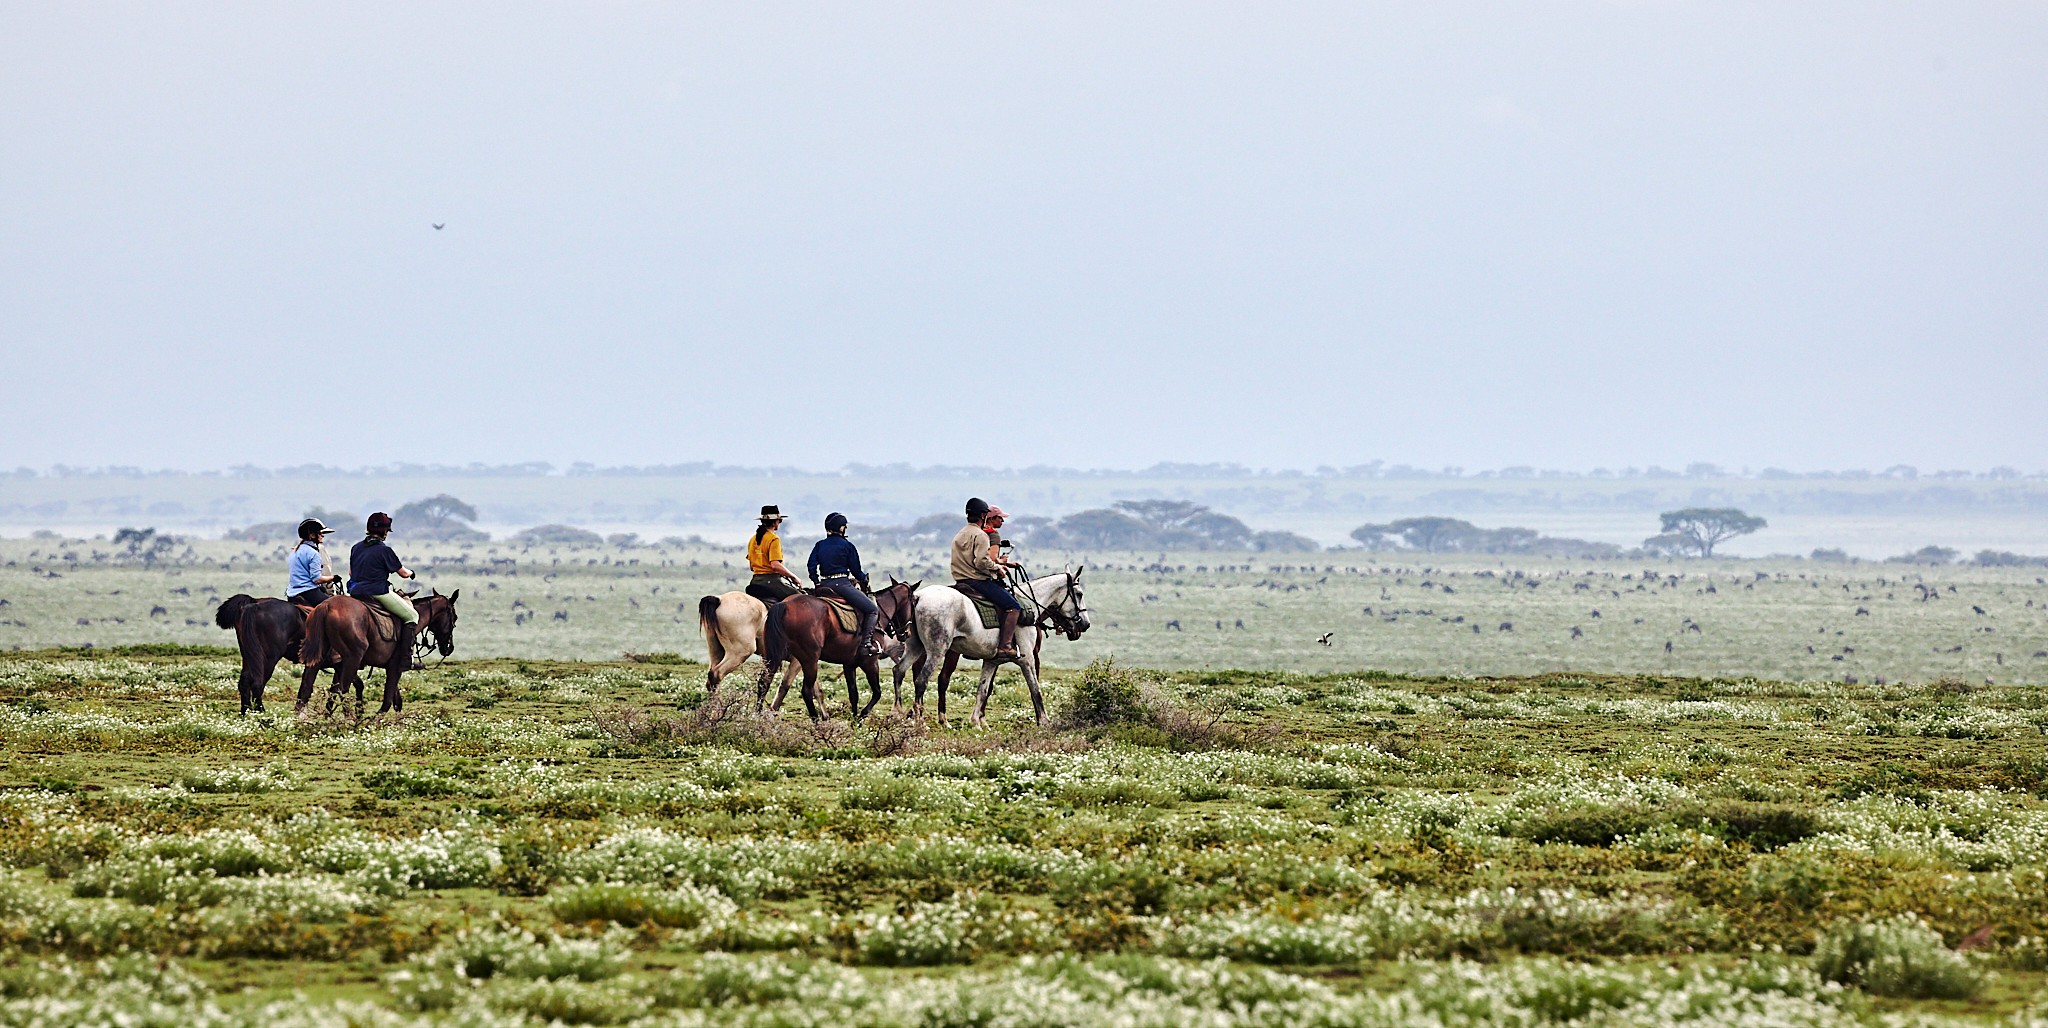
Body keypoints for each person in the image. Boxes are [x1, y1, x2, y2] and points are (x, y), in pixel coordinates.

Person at [951, 497, 1023, 657]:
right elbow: (981, 562)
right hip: (978, 581)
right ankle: (1005, 647)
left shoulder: (959, 535)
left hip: (960, 581)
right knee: (1013, 607)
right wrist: (998, 567)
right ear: (983, 515)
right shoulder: (981, 535)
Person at [347, 512, 420, 667]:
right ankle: (406, 658)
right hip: (377, 592)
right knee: (412, 616)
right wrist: (412, 573)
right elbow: (403, 573)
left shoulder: (356, 547)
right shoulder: (384, 550)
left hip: (355, 592)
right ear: (385, 531)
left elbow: (351, 573)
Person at [806, 512, 881, 658]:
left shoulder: (819, 545)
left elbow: (811, 565)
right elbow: (856, 571)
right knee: (872, 609)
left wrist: (816, 581)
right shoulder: (847, 546)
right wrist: (864, 579)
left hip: (824, 585)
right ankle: (866, 644)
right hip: (842, 585)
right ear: (841, 528)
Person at [744, 505, 803, 603]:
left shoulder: (752, 539)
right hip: (771, 582)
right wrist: (794, 577)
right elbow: (775, 565)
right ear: (775, 522)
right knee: (800, 600)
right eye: (779, 521)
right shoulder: (774, 539)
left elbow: (751, 566)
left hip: (755, 581)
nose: (779, 523)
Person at [286, 518, 343, 607]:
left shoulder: (294, 551)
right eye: (320, 533)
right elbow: (316, 579)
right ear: (312, 535)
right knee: (337, 606)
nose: (322, 536)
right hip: (309, 592)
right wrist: (333, 578)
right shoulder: (313, 553)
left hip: (291, 594)